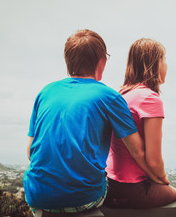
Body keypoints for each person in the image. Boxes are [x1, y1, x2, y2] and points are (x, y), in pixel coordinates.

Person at [23, 29, 153, 214]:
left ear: (68, 61)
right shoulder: (109, 97)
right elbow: (138, 153)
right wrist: (158, 180)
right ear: (102, 60)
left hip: (38, 196)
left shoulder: (46, 92)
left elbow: (30, 152)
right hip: (84, 198)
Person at [105, 38, 176, 209]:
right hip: (133, 186)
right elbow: (154, 160)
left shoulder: (122, 94)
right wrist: (164, 180)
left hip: (110, 183)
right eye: (164, 59)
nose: (166, 65)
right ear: (154, 64)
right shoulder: (150, 98)